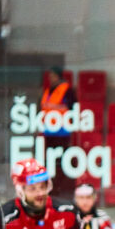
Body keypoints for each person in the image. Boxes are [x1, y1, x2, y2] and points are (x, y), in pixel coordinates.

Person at [40, 66, 78, 197]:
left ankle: (61, 188)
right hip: (48, 133)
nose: (51, 78)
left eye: (52, 76)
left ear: (58, 76)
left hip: (62, 133)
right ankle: (52, 188)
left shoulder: (67, 90)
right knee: (50, 162)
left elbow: (73, 109)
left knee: (61, 163)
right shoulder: (48, 91)